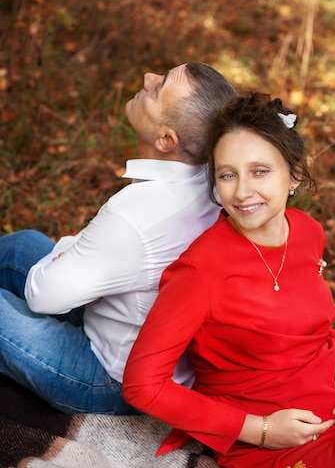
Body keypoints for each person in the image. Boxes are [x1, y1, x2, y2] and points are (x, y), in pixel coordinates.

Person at [123, 92, 335, 468]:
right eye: (227, 175)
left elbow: (296, 320)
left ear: (293, 175)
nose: (242, 192)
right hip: (281, 443)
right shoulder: (200, 272)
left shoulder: (307, 231)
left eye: (260, 171)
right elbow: (142, 385)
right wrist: (258, 429)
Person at [0, 62, 237, 414]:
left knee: (29, 285)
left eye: (159, 88)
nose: (147, 78)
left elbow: (42, 297)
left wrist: (72, 248)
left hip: (110, 377)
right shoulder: (211, 179)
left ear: (166, 139)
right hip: (131, 329)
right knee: (23, 244)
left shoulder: (136, 215)